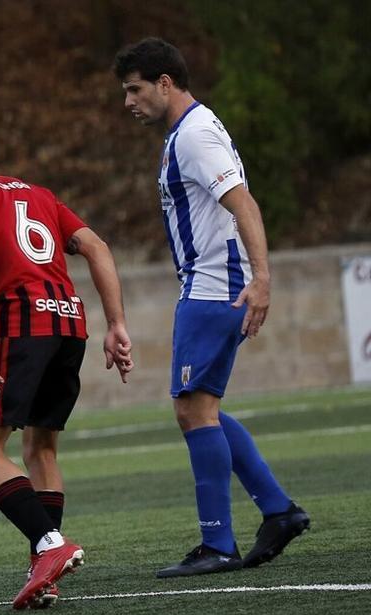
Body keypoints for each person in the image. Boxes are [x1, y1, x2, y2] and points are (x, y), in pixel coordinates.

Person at [0, 114, 134, 609]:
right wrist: (117, 324)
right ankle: (47, 569)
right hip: (69, 324)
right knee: (40, 450)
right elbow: (97, 248)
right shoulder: (36, 193)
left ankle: (49, 545)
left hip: (20, 326)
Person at [113, 37, 309, 578]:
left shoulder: (195, 135)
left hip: (214, 286)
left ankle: (218, 545)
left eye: (135, 90)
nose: (129, 102)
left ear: (165, 83)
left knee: (191, 409)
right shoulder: (192, 129)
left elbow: (241, 202)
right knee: (204, 409)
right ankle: (279, 511)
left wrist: (263, 278)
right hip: (214, 284)